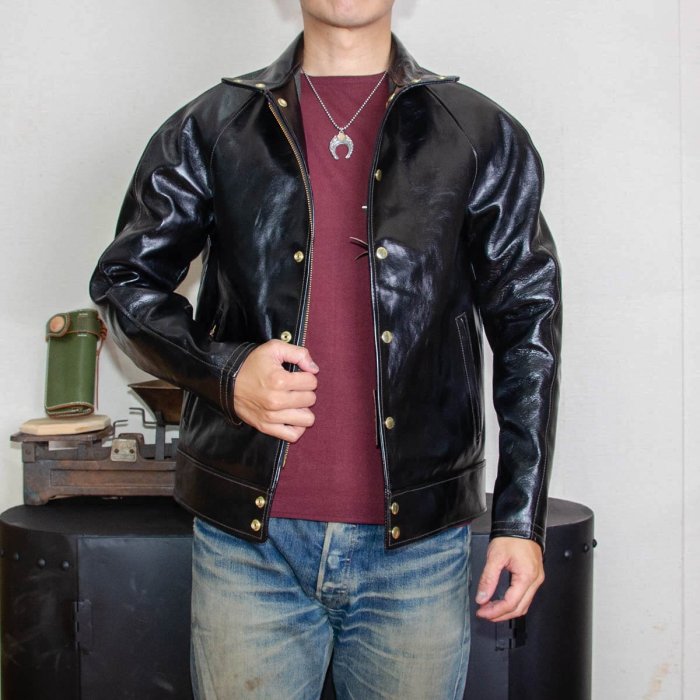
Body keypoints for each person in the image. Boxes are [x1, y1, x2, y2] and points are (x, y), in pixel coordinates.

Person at [90, 1, 561, 697]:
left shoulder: (478, 132)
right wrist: (225, 372)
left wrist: (520, 520)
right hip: (249, 546)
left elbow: (529, 326)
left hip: (420, 549)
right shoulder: (213, 126)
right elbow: (124, 282)